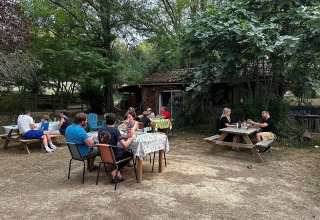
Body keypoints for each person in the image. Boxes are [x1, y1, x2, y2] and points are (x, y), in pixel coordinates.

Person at [98, 113, 136, 183]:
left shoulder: (100, 130)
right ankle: (115, 171)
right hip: (114, 156)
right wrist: (132, 138)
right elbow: (124, 145)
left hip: (104, 156)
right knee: (130, 153)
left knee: (120, 150)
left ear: (106, 121)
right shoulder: (115, 130)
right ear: (115, 122)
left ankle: (118, 174)